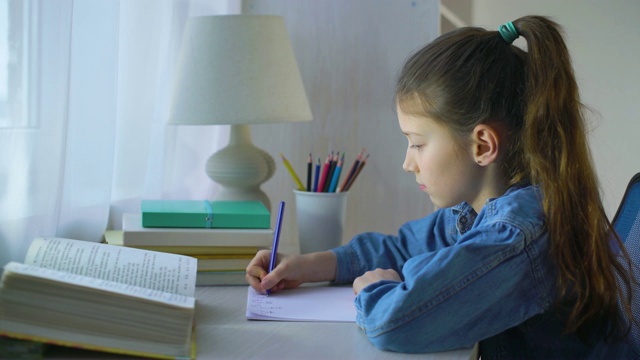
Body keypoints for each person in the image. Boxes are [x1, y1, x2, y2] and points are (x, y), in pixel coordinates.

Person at [246, 15, 638, 357]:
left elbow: (395, 323)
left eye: (417, 143)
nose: (407, 162)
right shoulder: (481, 210)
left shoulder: (516, 237)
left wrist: (376, 288)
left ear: (482, 145)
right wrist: (311, 264)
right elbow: (402, 247)